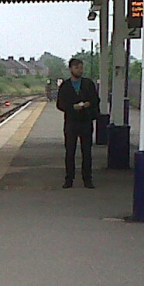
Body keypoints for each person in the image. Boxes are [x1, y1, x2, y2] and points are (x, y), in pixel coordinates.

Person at [56, 58, 99, 189]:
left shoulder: (88, 84)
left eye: (81, 67)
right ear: (71, 69)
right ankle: (69, 179)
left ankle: (87, 179)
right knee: (70, 151)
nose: (80, 70)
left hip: (85, 121)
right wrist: (72, 107)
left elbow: (96, 99)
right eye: (77, 68)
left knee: (87, 151)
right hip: (71, 122)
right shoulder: (65, 86)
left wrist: (89, 104)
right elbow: (60, 104)